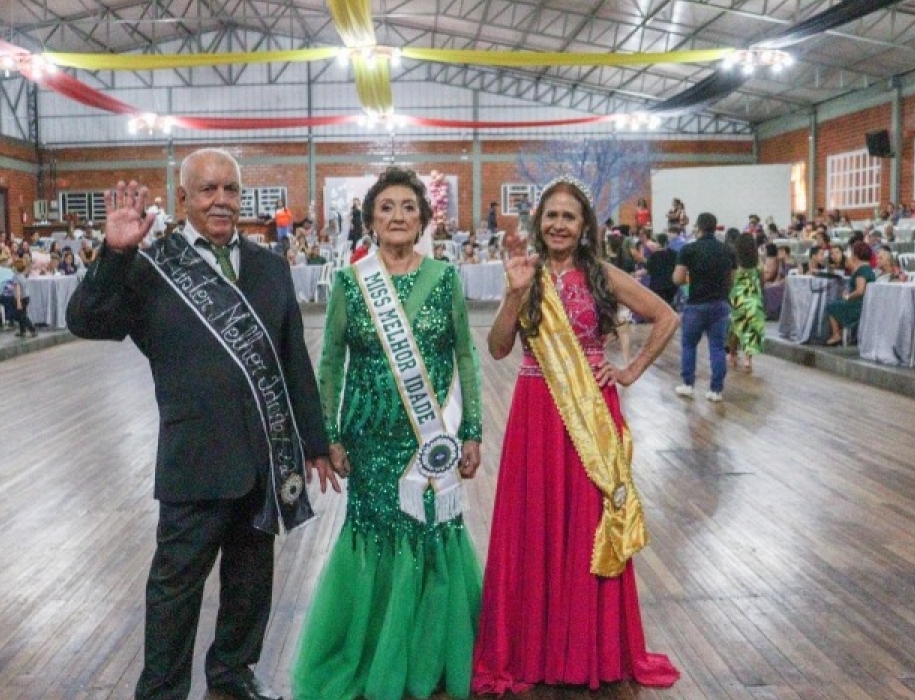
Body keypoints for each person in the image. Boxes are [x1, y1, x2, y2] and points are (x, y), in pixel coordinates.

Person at [66, 149, 335, 700]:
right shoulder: (150, 266)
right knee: (175, 588)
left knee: (250, 580)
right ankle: (162, 689)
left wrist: (314, 440)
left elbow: (292, 359)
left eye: (230, 190)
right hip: (194, 457)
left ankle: (232, 672)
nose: (221, 201)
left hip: (263, 457)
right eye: (208, 190)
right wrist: (114, 254)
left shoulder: (269, 266)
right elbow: (87, 322)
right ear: (183, 197)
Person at [473, 176, 680, 694]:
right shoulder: (526, 273)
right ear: (538, 222)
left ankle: (587, 648)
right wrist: (514, 295)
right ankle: (533, 648)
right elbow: (498, 347)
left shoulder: (603, 275)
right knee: (534, 524)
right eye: (551, 216)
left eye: (569, 216)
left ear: (584, 225)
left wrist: (629, 371)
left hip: (590, 413)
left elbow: (665, 316)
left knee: (588, 526)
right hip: (535, 411)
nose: (559, 225)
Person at [293, 167, 483, 700]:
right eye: (386, 207)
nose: (398, 216)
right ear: (370, 221)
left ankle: (431, 655)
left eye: (408, 207)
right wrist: (328, 435)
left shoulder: (444, 278)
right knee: (375, 535)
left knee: (430, 532)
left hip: (430, 442)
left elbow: (466, 356)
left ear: (422, 219)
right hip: (369, 438)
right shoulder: (351, 283)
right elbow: (331, 362)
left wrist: (472, 430)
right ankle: (373, 653)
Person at [673, 212, 736, 402]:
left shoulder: (688, 249)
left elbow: (677, 279)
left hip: (696, 304)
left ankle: (688, 385)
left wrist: (689, 279)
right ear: (715, 228)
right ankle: (716, 390)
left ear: (698, 227)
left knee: (689, 345)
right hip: (720, 305)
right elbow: (732, 280)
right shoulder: (728, 250)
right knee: (717, 347)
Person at [824, 241, 876, 346]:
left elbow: (860, 290)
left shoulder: (862, 270)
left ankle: (836, 334)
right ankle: (840, 332)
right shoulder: (867, 268)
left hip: (858, 304)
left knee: (831, 306)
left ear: (855, 255)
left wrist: (848, 296)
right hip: (864, 303)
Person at [727, 233, 765, 373]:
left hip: (739, 299)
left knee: (735, 329)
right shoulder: (758, 266)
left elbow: (730, 282)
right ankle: (748, 359)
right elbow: (762, 283)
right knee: (752, 330)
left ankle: (732, 355)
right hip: (754, 299)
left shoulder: (736, 266)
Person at [11, 257, 37, 339]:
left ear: (16, 268)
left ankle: (32, 329)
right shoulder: (22, 275)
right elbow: (28, 269)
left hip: (21, 298)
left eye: (13, 267)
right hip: (26, 297)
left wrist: (18, 302)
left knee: (22, 316)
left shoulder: (16, 277)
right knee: (22, 315)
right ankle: (22, 331)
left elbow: (18, 290)